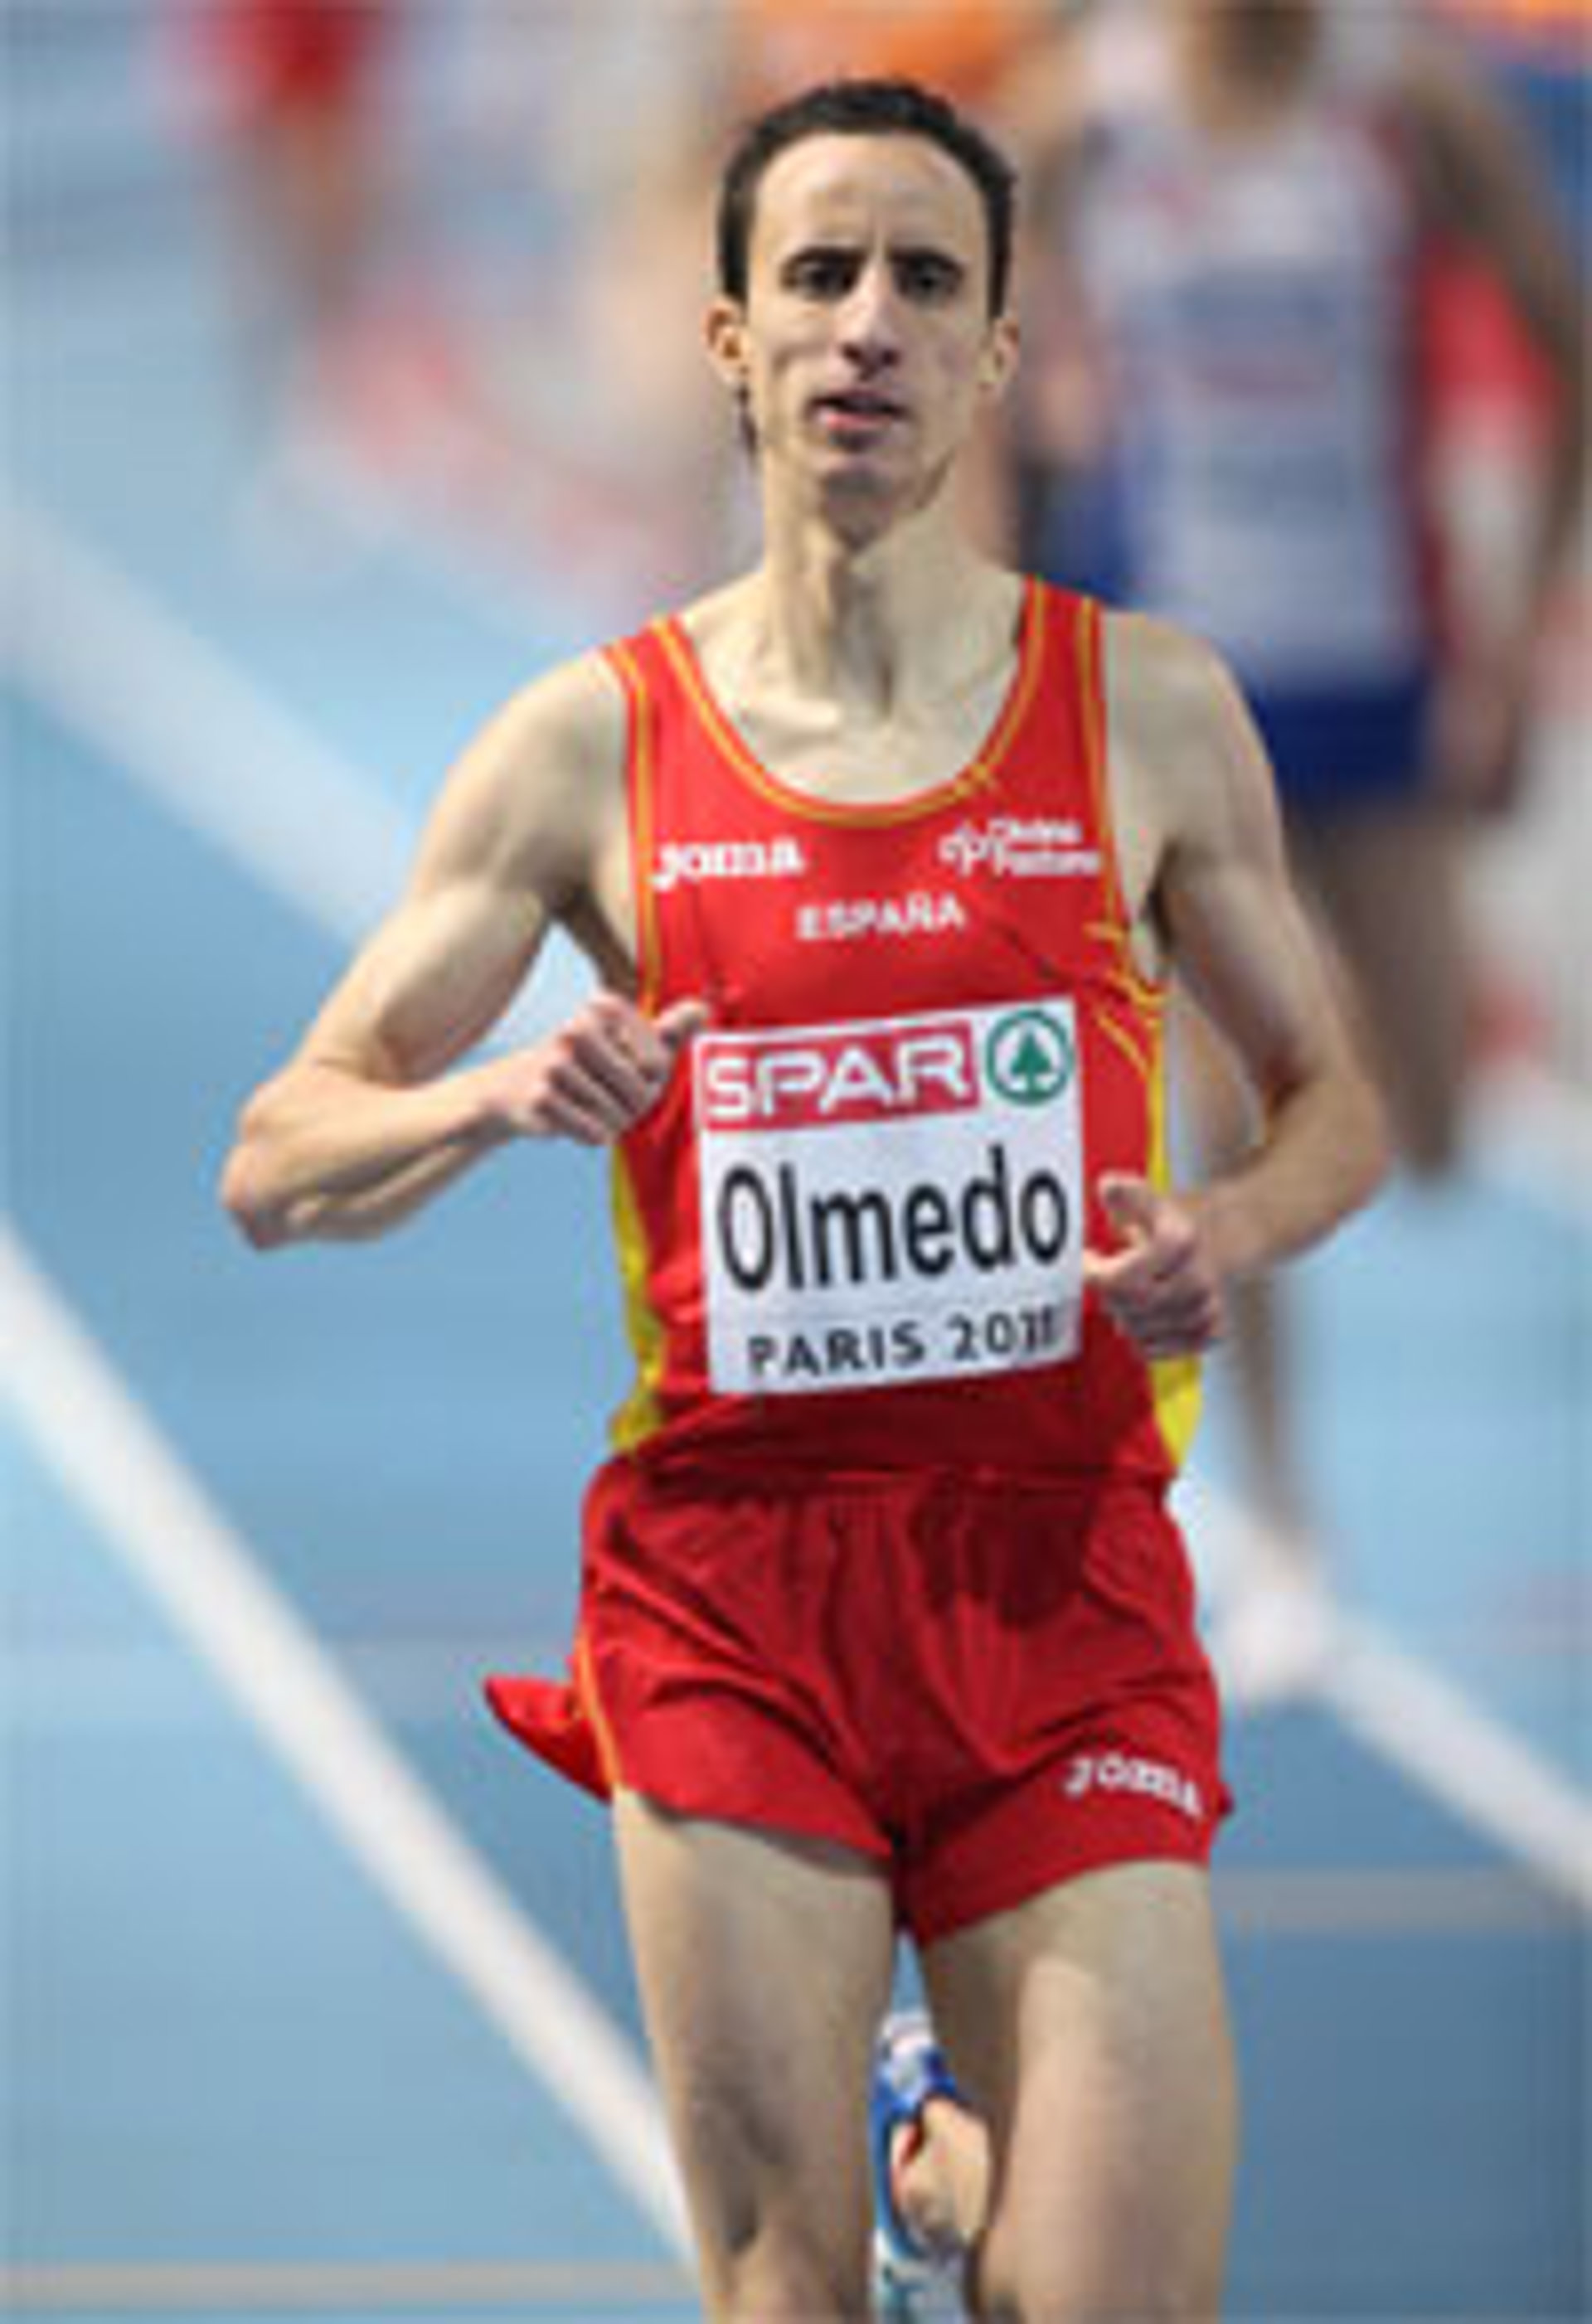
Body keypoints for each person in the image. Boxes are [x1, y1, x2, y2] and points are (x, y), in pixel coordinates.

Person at [221, 76, 1387, 2320]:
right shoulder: (591, 745)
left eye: (926, 282)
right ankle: (900, 2158)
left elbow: (1337, 1102)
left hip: (1064, 1582)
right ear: (729, 340)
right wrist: (495, 1094)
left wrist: (1224, 1230)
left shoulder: (1146, 713)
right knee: (785, 2289)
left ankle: (937, 2143)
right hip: (737, 1590)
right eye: (820, 276)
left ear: (1000, 352)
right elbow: (275, 1159)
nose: (870, 324)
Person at [996, 0, 1585, 1693]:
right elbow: (972, 347)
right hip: (1173, 677)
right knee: (1225, 1119)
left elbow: (1565, 342)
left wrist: (1513, 635)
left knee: (1436, 1125)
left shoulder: (1406, 105)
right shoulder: (1088, 113)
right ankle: (1286, 1533)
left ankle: (1333, 1048)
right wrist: (1005, 569)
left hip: (1374, 657)